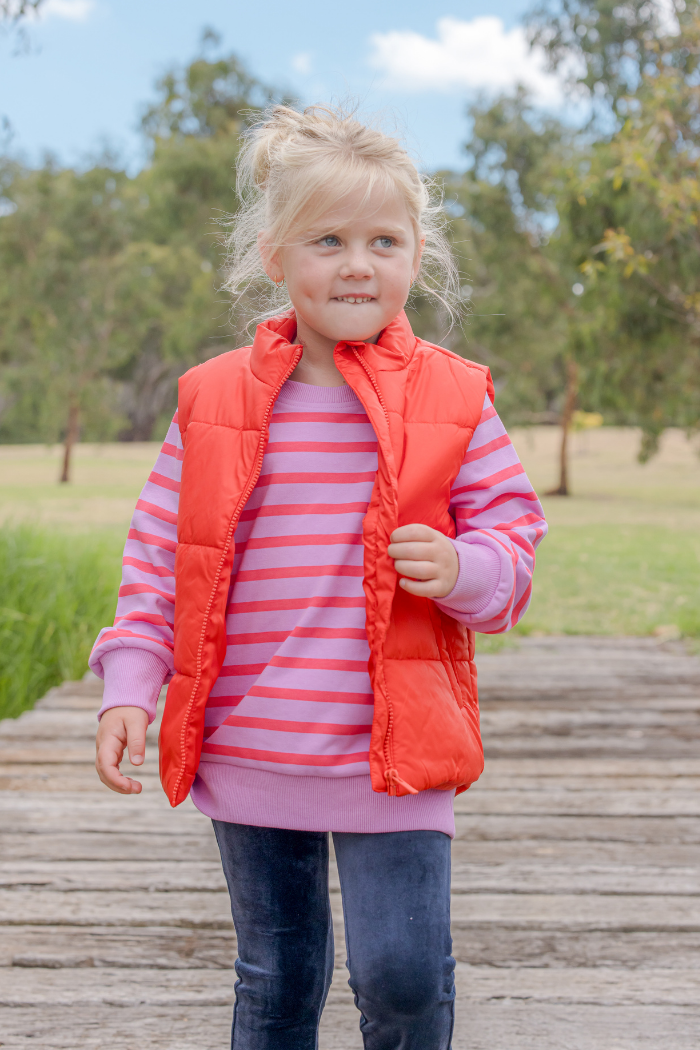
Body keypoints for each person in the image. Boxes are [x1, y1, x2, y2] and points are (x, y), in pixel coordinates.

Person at [92, 104, 547, 1050]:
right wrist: (132, 684)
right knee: (277, 976)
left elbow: (513, 544)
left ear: (416, 257)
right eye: (328, 239)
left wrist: (462, 567)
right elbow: (160, 557)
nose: (356, 263)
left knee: (404, 978)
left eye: (384, 240)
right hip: (252, 744)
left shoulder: (455, 398)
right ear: (276, 258)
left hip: (397, 750)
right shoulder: (211, 400)